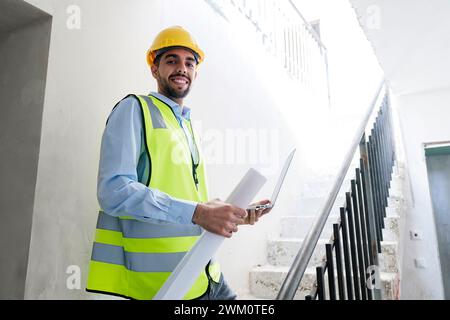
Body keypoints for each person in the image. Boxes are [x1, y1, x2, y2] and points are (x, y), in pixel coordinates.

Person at [86, 26, 271, 300]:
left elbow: (188, 200)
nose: (181, 68)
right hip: (166, 285)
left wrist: (233, 214)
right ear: (154, 69)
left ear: (196, 72)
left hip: (206, 271)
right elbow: (113, 191)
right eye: (171, 60)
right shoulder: (134, 109)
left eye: (189, 62)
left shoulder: (186, 125)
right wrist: (199, 213)